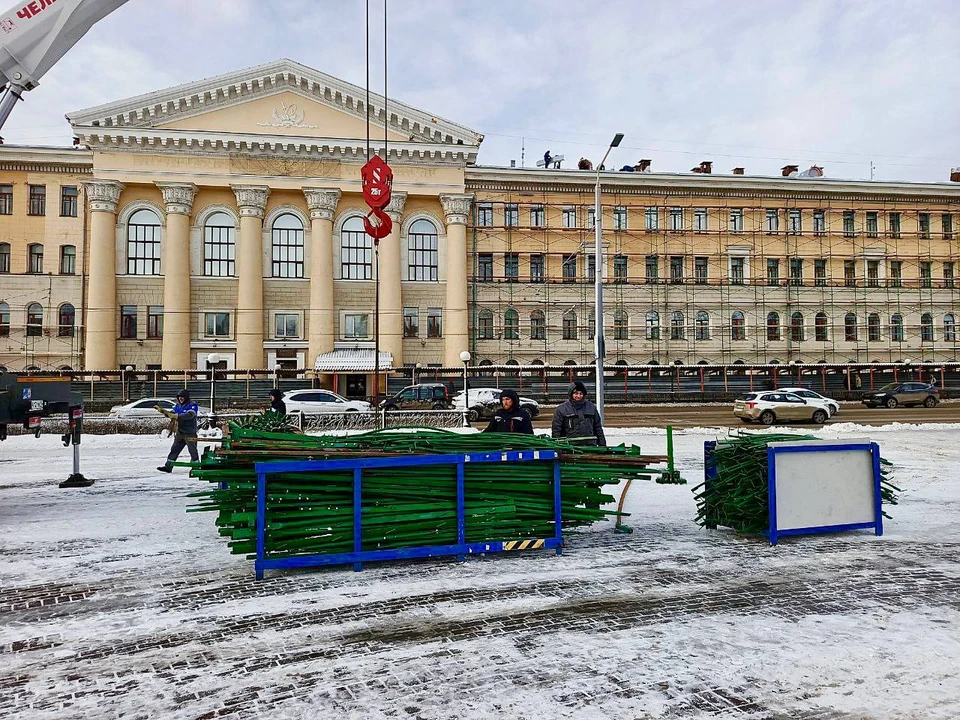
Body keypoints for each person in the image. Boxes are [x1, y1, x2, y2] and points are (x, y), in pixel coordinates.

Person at [156, 390, 200, 473]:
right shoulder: (178, 406)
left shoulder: (192, 405)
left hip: (190, 432)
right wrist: (164, 411)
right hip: (180, 432)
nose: (180, 399)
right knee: (174, 449)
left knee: (192, 451)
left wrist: (177, 416)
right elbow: (172, 414)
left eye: (182, 397)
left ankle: (196, 467)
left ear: (186, 397)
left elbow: (190, 415)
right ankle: (168, 467)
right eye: (179, 397)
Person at [551, 381, 606, 446]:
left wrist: (602, 445)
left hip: (590, 446)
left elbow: (598, 428)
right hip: (570, 447)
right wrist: (558, 447)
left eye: (581, 393)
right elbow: (556, 431)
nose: (578, 396)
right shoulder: (561, 409)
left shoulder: (591, 408)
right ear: (571, 394)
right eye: (576, 393)